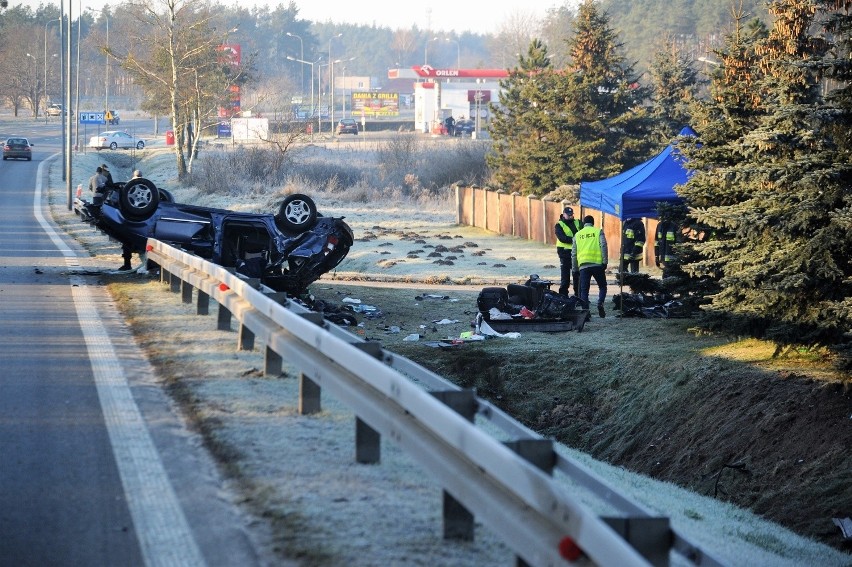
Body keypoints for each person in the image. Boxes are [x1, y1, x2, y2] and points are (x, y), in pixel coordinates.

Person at [572, 215, 609, 318]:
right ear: (593, 223)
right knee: (602, 286)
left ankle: (585, 313)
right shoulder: (598, 232)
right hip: (597, 264)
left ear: (584, 223)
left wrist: (575, 269)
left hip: (583, 266)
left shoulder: (577, 235)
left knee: (584, 290)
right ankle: (600, 302)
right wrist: (605, 262)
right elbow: (603, 246)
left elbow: (574, 253)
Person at [554, 206, 583, 296]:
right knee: (565, 276)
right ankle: (563, 295)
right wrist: (575, 239)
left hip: (577, 252)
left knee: (576, 275)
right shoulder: (559, 225)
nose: (571, 216)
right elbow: (563, 238)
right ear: (564, 214)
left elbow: (583, 234)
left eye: (572, 214)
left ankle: (578, 294)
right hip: (564, 252)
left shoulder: (578, 222)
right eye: (568, 215)